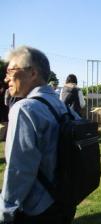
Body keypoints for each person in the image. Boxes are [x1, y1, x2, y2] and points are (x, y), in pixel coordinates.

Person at [0, 46, 77, 223]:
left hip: (36, 208)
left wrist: (5, 212)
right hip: (63, 200)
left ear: (32, 73)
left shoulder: (25, 109)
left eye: (11, 71)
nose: (6, 78)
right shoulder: (59, 105)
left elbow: (19, 170)